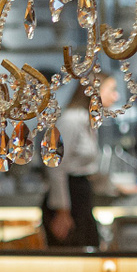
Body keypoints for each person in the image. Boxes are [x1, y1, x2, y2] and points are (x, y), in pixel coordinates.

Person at [45, 75, 117, 248]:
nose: (116, 96)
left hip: (81, 195)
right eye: (111, 90)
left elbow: (88, 168)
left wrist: (115, 186)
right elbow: (55, 166)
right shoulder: (71, 120)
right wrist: (62, 211)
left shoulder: (87, 120)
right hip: (69, 197)